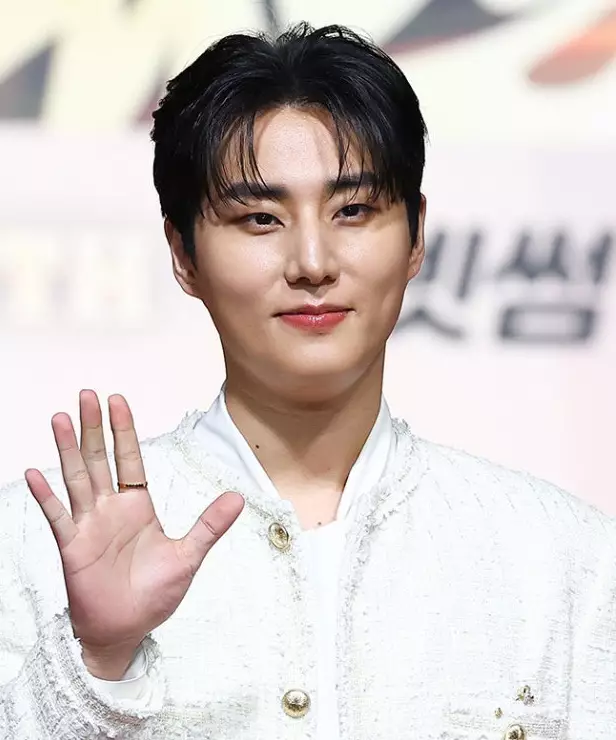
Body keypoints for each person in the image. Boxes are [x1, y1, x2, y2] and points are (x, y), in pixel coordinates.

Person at [0, 21, 614, 740]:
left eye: (353, 211)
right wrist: (101, 660)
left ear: (415, 236)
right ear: (183, 253)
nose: (313, 263)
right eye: (260, 218)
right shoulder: (30, 548)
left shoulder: (562, 560)